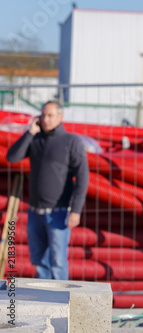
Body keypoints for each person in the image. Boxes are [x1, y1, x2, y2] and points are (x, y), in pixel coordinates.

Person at [7, 101, 89, 280]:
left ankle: (61, 303)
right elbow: (12, 157)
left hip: (58, 213)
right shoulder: (35, 139)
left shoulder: (70, 141)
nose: (46, 119)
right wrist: (30, 132)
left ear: (60, 117)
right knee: (39, 261)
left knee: (58, 263)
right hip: (35, 212)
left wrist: (75, 210)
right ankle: (45, 304)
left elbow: (83, 178)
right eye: (43, 115)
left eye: (50, 115)